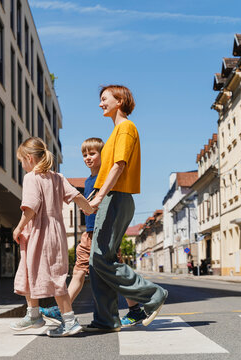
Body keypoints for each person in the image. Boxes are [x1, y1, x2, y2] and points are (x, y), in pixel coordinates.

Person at [85, 85, 168, 332]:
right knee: (96, 261)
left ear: (119, 100)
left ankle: (153, 294)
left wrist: (99, 197)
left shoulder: (125, 128)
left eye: (104, 99)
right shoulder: (114, 132)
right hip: (112, 197)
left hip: (116, 197)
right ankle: (105, 319)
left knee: (101, 258)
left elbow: (118, 165)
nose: (100, 104)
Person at [39, 137, 144, 328]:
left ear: (102, 154)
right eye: (84, 155)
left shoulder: (104, 179)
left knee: (111, 273)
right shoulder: (88, 181)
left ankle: (135, 309)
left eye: (92, 153)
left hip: (103, 233)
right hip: (89, 233)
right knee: (81, 270)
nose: (87, 158)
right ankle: (63, 308)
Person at [10, 137, 95, 337]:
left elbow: (30, 208)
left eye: (21, 161)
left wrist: (18, 228)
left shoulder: (31, 177)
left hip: (40, 231)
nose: (22, 166)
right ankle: (34, 314)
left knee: (49, 277)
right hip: (57, 232)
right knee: (44, 273)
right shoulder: (58, 177)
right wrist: (90, 209)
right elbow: (77, 197)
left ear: (29, 158)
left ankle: (68, 322)